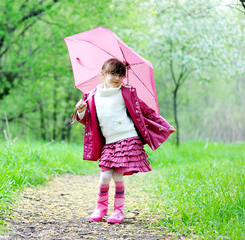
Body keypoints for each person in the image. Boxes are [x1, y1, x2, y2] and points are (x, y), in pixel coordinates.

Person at [75, 58, 176, 224]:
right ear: (102, 75)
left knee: (117, 175)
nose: (117, 78)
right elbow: (87, 120)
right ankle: (100, 207)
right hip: (109, 142)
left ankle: (118, 210)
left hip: (126, 139)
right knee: (105, 175)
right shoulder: (92, 96)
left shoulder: (126, 92)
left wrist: (164, 125)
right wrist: (80, 111)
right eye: (113, 73)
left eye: (121, 75)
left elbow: (147, 112)